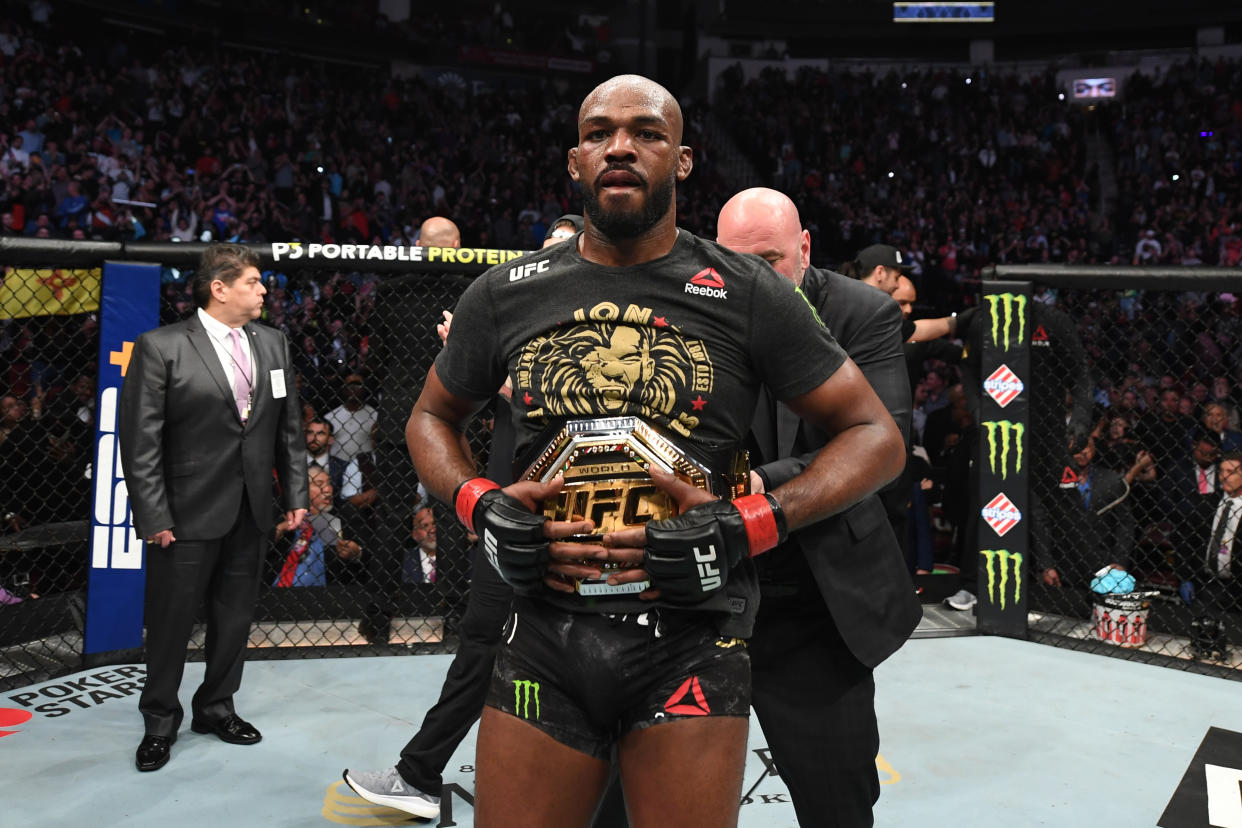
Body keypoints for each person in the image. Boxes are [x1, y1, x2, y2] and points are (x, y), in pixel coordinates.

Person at [351, 74, 902, 828]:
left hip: (691, 636)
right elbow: (428, 417)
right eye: (600, 131)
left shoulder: (744, 290)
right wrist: (477, 502)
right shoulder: (507, 292)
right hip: (543, 628)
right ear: (575, 159)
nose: (620, 146)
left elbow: (876, 436)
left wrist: (750, 522)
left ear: (681, 161)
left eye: (646, 132)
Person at [344, 216, 587, 822]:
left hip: (571, 512)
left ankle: (425, 771)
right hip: (509, 502)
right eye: (546, 251)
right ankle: (419, 771)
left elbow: (572, 409)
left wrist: (492, 374)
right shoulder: (515, 321)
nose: (551, 263)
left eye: (566, 252)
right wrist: (470, 362)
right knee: (485, 638)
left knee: (534, 644)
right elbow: (462, 408)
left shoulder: (593, 333)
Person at [715, 187, 920, 827]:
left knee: (838, 800)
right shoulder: (698, 306)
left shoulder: (864, 314)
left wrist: (756, 484)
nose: (752, 280)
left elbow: (885, 447)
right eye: (734, 262)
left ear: (805, 249)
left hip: (816, 591)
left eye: (770, 260)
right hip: (709, 585)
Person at [118, 242, 308, 772]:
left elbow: (287, 428)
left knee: (235, 618)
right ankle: (159, 720)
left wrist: (294, 495)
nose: (264, 290)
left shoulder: (273, 343)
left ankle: (216, 708)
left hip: (252, 508)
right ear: (219, 288)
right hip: (185, 513)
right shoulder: (162, 346)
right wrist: (153, 515)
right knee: (172, 621)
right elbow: (140, 443)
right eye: (253, 282)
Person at [1178, 451, 1242, 659]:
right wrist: (1186, 576)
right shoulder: (1205, 503)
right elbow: (1187, 541)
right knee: (1202, 641)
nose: (1224, 476)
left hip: (1238, 586)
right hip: (1209, 583)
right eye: (1222, 471)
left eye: (1231, 472)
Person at [268, 464, 361, 587]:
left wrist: (356, 553)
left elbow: (366, 556)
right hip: (279, 588)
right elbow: (260, 548)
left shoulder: (344, 515)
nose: (327, 489)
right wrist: (281, 528)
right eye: (319, 484)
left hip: (333, 591)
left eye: (329, 483)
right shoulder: (283, 513)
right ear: (303, 488)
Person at [325, 373, 376, 462]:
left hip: (364, 464)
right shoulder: (331, 416)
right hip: (337, 463)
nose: (353, 388)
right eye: (350, 385)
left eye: (357, 385)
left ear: (364, 389)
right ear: (344, 389)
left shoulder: (375, 416)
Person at [304, 416, 347, 497]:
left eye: (320, 434)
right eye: (310, 433)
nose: (314, 438)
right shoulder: (291, 465)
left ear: (330, 440)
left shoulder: (343, 467)